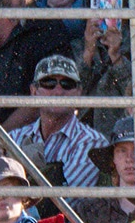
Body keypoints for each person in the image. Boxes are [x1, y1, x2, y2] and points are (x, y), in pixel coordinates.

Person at [9, 55, 107, 188]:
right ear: (34, 91)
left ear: (79, 92)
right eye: (49, 83)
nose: (58, 91)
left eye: (67, 84)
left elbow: (70, 201)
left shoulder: (92, 143)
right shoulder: (14, 137)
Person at [74, 0, 135, 130]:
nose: (105, 6)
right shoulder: (77, 46)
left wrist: (117, 58)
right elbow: (70, 94)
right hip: (84, 133)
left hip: (125, 132)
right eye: (98, 0)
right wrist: (88, 53)